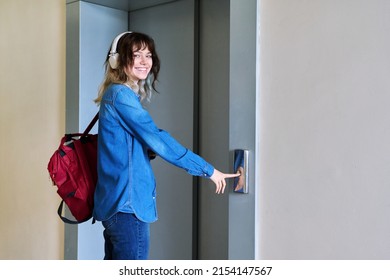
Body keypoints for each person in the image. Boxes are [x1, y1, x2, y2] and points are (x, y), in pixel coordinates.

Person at [93, 31, 239, 260]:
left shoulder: (118, 95)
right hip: (128, 207)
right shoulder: (121, 95)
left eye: (148, 55)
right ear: (117, 60)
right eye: (136, 55)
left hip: (118, 206)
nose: (144, 62)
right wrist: (208, 170)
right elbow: (158, 138)